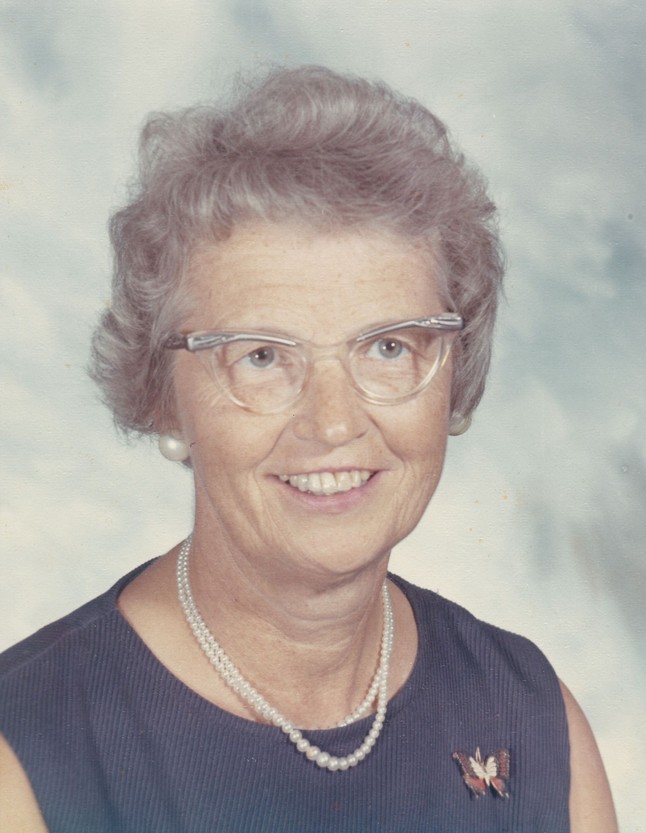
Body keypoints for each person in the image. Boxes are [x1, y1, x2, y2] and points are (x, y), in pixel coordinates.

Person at [0, 65, 617, 833]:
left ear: (454, 375)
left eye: (388, 347)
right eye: (262, 356)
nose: (332, 423)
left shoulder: (529, 713)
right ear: (161, 392)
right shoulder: (27, 746)